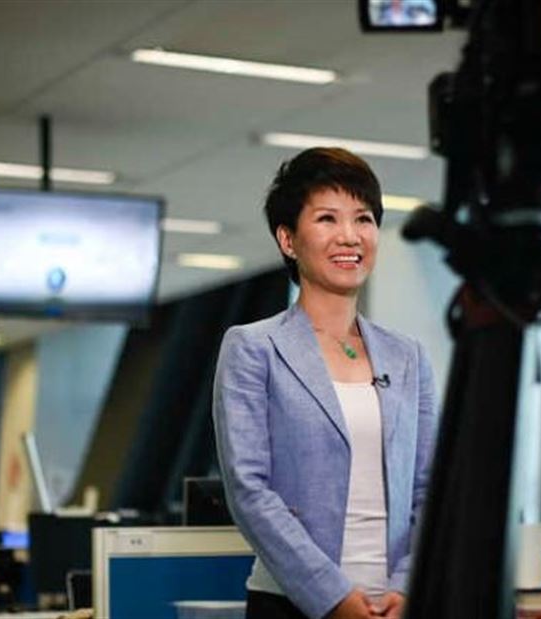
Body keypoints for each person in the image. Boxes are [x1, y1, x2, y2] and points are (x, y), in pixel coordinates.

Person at [212, 147, 438, 619]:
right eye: (327, 219)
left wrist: (407, 587)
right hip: (291, 604)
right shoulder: (253, 348)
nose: (349, 236)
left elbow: (429, 490)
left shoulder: (408, 356)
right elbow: (249, 490)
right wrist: (333, 597)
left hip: (393, 604)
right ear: (288, 240)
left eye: (363, 219)